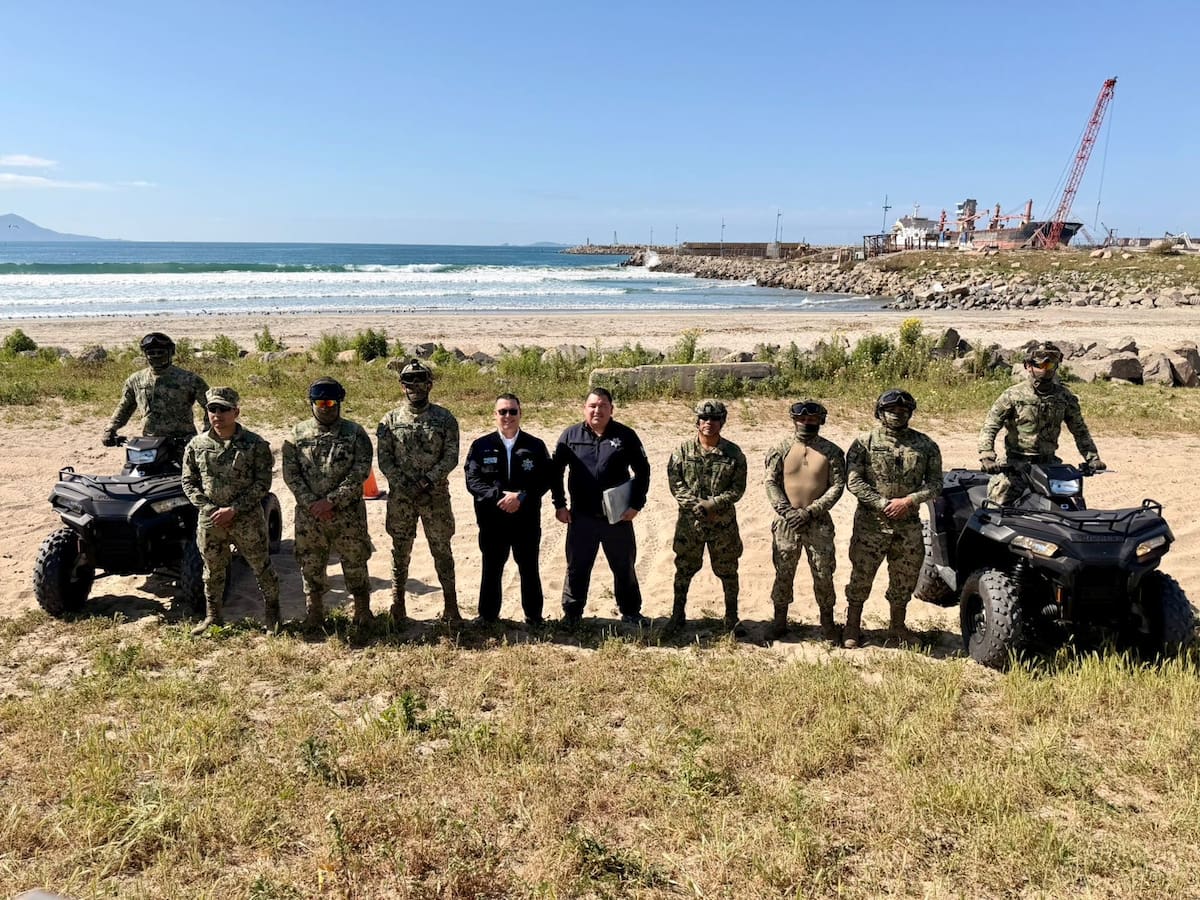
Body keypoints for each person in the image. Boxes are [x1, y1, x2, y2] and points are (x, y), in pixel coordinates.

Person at [843, 389, 942, 648]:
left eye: (902, 412)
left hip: (908, 525)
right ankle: (852, 626)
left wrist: (909, 501)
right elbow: (853, 481)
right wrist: (882, 504)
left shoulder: (926, 445)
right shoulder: (863, 443)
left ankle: (897, 628)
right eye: (891, 411)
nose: (897, 416)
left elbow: (935, 484)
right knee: (861, 575)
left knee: (904, 576)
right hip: (871, 524)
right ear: (879, 413)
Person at [181, 387, 280, 635]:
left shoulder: (254, 444)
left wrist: (234, 510)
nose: (218, 414)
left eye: (224, 409)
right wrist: (210, 508)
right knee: (212, 572)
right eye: (212, 409)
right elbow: (188, 482)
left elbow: (262, 484)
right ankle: (213, 618)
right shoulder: (197, 444)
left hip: (246, 520)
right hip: (211, 521)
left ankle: (273, 618)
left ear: (236, 411)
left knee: (262, 568)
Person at [551, 387, 651, 626]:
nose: (597, 410)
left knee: (624, 566)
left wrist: (636, 504)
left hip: (617, 516)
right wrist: (560, 504)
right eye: (593, 406)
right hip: (581, 516)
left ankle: (631, 612)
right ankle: (572, 614)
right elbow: (555, 472)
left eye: (603, 405)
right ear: (584, 409)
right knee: (577, 566)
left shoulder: (626, 436)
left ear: (611, 409)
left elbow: (643, 471)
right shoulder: (570, 436)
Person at [282, 377, 375, 629]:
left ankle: (362, 612)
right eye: (321, 402)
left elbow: (360, 472)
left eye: (332, 401)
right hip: (310, 516)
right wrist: (313, 503)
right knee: (310, 562)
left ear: (339, 402)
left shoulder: (355, 433)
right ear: (312, 403)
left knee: (355, 560)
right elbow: (291, 474)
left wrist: (332, 501)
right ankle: (315, 614)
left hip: (348, 514)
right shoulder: (296, 436)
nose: (326, 407)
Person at [377, 359, 461, 623]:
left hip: (435, 497)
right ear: (402, 386)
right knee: (400, 551)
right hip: (402, 499)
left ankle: (451, 606)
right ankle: (397, 604)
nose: (415, 386)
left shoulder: (445, 418)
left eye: (420, 380)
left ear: (430, 384)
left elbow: (451, 456)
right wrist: (405, 485)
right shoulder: (389, 420)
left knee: (442, 551)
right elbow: (385, 460)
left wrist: (427, 481)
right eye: (409, 381)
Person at [463, 393, 554, 625]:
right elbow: (473, 480)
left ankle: (534, 617)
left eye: (513, 411)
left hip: (526, 520)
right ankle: (487, 616)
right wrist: (500, 498)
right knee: (491, 569)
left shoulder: (535, 445)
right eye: (502, 411)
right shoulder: (481, 446)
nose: (508, 416)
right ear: (494, 415)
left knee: (529, 569)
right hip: (493, 521)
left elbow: (545, 479)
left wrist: (521, 497)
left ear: (520, 414)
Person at [979, 341, 1105, 505]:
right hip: (1016, 466)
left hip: (1049, 465)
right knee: (996, 510)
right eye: (1041, 364)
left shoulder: (1064, 397)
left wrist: (1092, 458)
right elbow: (990, 426)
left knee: (1070, 507)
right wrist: (987, 457)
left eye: (1051, 364)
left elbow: (1080, 430)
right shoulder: (1013, 395)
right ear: (1028, 366)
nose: (1045, 369)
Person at [764, 400, 846, 641]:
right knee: (783, 572)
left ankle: (828, 624)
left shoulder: (831, 452)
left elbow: (837, 486)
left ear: (820, 421)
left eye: (812, 419)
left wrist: (811, 511)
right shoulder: (780, 449)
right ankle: (779, 621)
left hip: (818, 523)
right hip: (786, 523)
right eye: (802, 419)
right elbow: (771, 483)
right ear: (794, 419)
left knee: (823, 573)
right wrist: (787, 511)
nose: (807, 423)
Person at [665, 399, 747, 633]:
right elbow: (675, 483)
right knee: (684, 569)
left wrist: (714, 504)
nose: (708, 423)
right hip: (690, 524)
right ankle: (677, 615)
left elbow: (737, 488)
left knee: (728, 571)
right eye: (704, 418)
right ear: (697, 421)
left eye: (714, 419)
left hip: (723, 525)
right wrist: (695, 505)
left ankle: (732, 618)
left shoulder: (734, 453)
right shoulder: (682, 451)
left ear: (722, 422)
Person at [103, 332, 209, 457]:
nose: (156, 356)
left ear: (171, 352)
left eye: (161, 352)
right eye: (151, 353)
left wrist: (207, 433)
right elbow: (124, 407)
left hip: (183, 444)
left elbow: (211, 406)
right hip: (150, 443)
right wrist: (111, 429)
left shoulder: (189, 379)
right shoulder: (136, 380)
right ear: (145, 355)